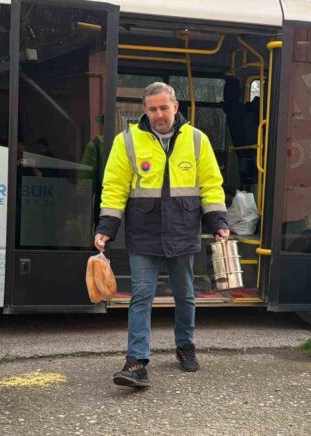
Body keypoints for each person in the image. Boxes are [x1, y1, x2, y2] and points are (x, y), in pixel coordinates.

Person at [95, 82, 229, 388]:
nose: (158, 114)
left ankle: (185, 346)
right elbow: (114, 187)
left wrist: (218, 221)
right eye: (152, 109)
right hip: (144, 232)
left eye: (163, 108)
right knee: (141, 295)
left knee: (185, 295)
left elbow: (211, 184)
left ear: (175, 106)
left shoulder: (197, 140)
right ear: (145, 110)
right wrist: (106, 228)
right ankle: (136, 361)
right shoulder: (126, 141)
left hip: (183, 229)